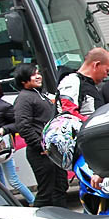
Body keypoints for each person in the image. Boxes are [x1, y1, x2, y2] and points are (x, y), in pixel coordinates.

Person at [12, 63, 67, 207]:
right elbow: (23, 126)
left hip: (53, 151)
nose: (38, 76)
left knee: (60, 187)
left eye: (38, 73)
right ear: (23, 80)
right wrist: (40, 146)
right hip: (41, 154)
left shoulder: (41, 95)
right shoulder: (24, 98)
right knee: (46, 192)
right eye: (33, 74)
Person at [0, 78, 35, 204]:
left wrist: (4, 129)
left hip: (4, 149)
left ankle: (32, 201)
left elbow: (17, 124)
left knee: (13, 180)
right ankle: (6, 204)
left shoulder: (5, 106)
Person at [57, 47, 109, 120]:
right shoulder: (72, 81)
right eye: (107, 71)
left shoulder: (89, 84)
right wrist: (90, 122)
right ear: (96, 65)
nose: (106, 76)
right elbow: (68, 113)